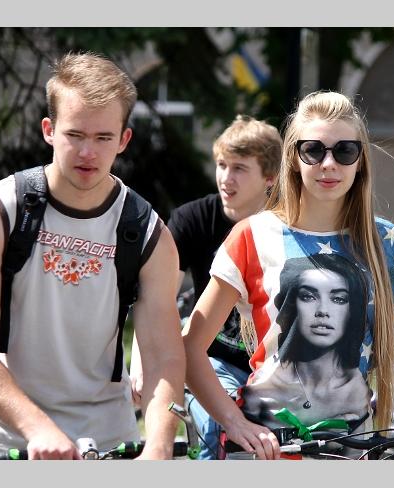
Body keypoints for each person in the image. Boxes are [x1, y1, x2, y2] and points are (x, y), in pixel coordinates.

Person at [182, 90, 394, 460]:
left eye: (344, 151)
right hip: (265, 450)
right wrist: (234, 421)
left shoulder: (383, 241)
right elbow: (190, 347)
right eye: (313, 150)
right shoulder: (252, 235)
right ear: (293, 159)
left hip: (355, 447)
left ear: (360, 162)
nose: (329, 164)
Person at [0, 52, 185, 460]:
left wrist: (159, 446)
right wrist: (38, 428)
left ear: (124, 139)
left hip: (108, 442)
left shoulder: (148, 232)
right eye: (75, 134)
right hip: (3, 443)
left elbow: (164, 356)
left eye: (103, 138)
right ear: (49, 130)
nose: (88, 152)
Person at [130, 115, 282, 459]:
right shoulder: (193, 219)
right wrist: (140, 362)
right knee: (218, 430)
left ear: (270, 178)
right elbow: (155, 297)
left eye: (239, 168)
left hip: (271, 365)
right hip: (212, 358)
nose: (226, 178)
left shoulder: (287, 227)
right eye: (222, 165)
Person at [240, 254, 369, 430]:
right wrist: (233, 421)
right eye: (308, 297)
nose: (322, 311)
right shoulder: (260, 395)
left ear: (351, 310)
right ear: (291, 304)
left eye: (338, 299)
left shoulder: (357, 392)